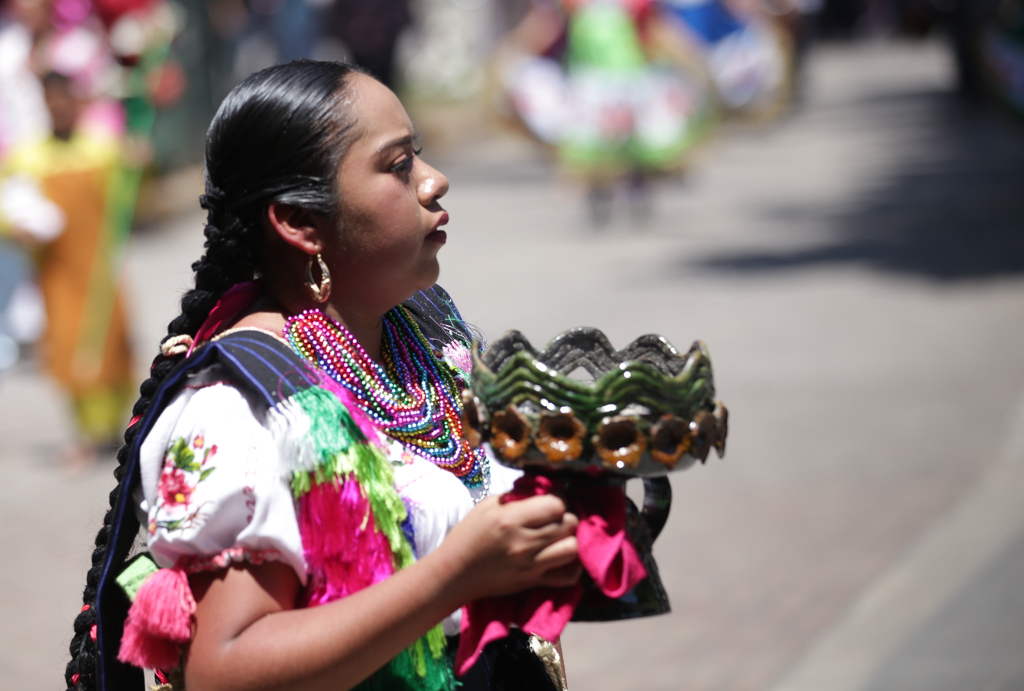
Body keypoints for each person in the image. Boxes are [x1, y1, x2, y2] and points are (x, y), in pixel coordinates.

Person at [64, 60, 580, 691]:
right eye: (397, 166)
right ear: (300, 223)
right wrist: (457, 575)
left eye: (418, 155)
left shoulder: (425, 329)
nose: (435, 181)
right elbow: (220, 670)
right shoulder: (242, 405)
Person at [0, 70, 134, 463]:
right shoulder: (27, 158)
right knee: (68, 348)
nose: (58, 106)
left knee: (110, 346)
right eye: (50, 99)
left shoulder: (105, 150)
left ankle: (112, 429)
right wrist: (17, 228)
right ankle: (86, 434)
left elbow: (129, 201)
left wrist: (137, 167)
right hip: (55, 274)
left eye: (64, 98)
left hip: (99, 270)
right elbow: (9, 207)